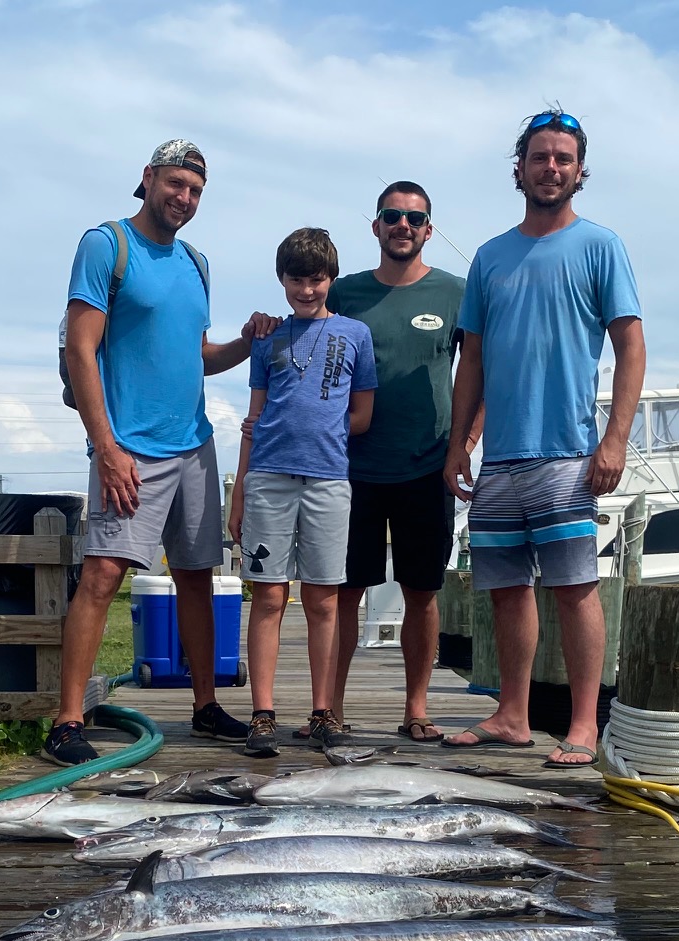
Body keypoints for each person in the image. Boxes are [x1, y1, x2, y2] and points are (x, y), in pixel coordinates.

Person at [51, 140, 276, 766]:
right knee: (102, 574)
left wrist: (247, 341)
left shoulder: (197, 262)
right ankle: (68, 720)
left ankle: (205, 706)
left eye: (197, 191)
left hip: (194, 445)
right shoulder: (106, 244)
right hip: (130, 448)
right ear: (148, 179)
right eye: (176, 184)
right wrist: (106, 447)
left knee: (199, 578)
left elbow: (198, 356)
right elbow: (81, 348)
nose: (185, 198)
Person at [442, 109, 645, 768]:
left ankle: (586, 723)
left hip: (567, 452)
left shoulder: (600, 246)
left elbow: (631, 346)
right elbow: (470, 357)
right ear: (519, 169)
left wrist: (613, 440)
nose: (551, 167)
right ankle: (513, 714)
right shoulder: (490, 257)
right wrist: (456, 446)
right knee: (505, 589)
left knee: (575, 587)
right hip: (500, 457)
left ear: (580, 171)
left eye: (563, 157)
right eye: (540, 157)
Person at [325, 181, 476, 743]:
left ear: (428, 229)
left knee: (422, 591)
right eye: (392, 216)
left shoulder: (455, 293)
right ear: (377, 226)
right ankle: (329, 708)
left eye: (414, 218)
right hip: (350, 468)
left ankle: (416, 708)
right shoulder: (343, 293)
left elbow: (478, 370)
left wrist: (467, 439)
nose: (403, 226)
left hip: (426, 465)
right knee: (344, 592)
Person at [227, 228, 376, 756]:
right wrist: (239, 490)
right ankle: (263, 714)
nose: (306, 290)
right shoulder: (267, 337)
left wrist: (324, 431)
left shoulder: (356, 334)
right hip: (268, 477)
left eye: (316, 280)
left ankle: (322, 711)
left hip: (330, 480)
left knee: (324, 598)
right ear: (282, 280)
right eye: (296, 280)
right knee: (268, 596)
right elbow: (254, 416)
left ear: (330, 280)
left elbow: (361, 415)